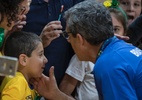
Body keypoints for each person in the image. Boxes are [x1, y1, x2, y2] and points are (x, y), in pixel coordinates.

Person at [30, 0, 142, 100]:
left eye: (68, 35)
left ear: (80, 39)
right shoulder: (117, 50)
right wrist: (56, 95)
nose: (68, 40)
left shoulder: (108, 65)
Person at [22, 0, 84, 85]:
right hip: (30, 84)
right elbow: (12, 47)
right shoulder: (24, 4)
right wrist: (40, 42)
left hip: (69, 82)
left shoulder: (75, 2)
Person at [0, 31, 47, 99]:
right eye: (40, 54)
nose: (45, 60)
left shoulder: (29, 82)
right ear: (23, 60)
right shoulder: (18, 81)